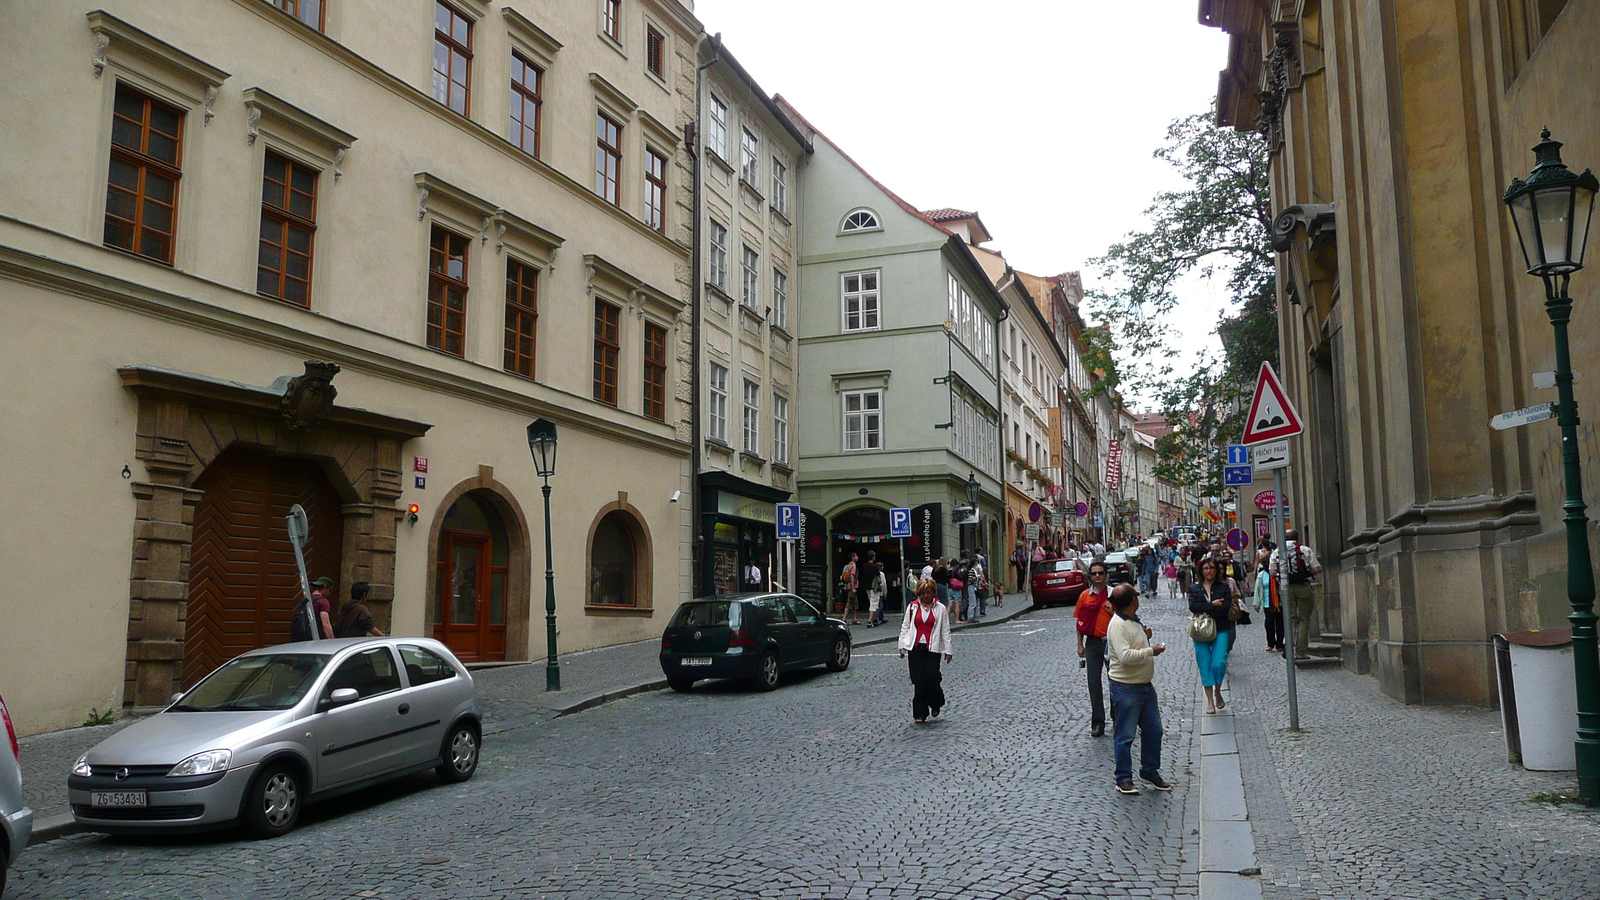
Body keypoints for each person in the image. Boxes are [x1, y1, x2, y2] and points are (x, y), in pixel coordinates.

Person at [1107, 584, 1170, 794]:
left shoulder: (1133, 620)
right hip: (1125, 687)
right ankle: (1123, 778)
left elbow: (1134, 645)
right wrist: (1150, 651)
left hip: (1144, 686)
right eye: (1136, 595)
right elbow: (1125, 656)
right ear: (1133, 600)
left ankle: (1149, 771)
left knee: (1154, 731)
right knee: (1125, 735)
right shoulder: (1117, 625)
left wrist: (1146, 638)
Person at [897, 577, 953, 723]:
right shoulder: (912, 607)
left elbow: (945, 630)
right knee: (918, 680)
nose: (926, 596)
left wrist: (948, 650)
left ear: (933, 592)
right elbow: (905, 626)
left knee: (931, 678)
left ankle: (936, 702)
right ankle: (920, 713)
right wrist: (902, 645)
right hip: (915, 647)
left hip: (933, 648)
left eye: (929, 592)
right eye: (923, 593)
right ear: (919, 593)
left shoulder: (940, 609)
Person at [1189, 557, 1237, 715]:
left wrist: (1206, 608)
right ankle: (1210, 700)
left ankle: (1218, 690)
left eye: (1211, 568)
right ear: (1201, 571)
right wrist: (1212, 605)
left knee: (1219, 663)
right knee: (1204, 664)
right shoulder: (1195, 588)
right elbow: (1193, 606)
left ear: (1217, 570)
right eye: (1205, 568)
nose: (1208, 571)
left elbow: (1225, 608)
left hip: (1221, 628)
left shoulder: (1223, 587)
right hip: (1201, 630)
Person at [1075, 561, 1115, 736]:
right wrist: (1079, 644)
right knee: (1094, 683)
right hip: (1092, 643)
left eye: (1100, 573)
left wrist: (1113, 612)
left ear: (1105, 574)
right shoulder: (1084, 596)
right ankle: (1098, 722)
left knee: (1115, 681)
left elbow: (1126, 617)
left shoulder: (1114, 594)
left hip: (1112, 643)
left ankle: (1118, 718)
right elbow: (1080, 622)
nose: (1097, 576)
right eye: (1094, 573)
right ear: (1090, 576)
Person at [1271, 529, 1323, 659]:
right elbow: (1316, 569)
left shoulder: (1277, 552)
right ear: (1297, 538)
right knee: (1304, 620)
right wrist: (1307, 573)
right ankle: (1300, 652)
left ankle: (1290, 649)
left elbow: (1272, 573)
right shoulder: (1305, 550)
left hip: (1286, 588)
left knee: (1291, 619)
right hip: (1303, 586)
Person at [860, 550, 884, 627]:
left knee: (871, 602)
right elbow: (878, 576)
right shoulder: (874, 567)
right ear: (873, 557)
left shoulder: (864, 566)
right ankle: (870, 621)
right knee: (874, 604)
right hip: (874, 587)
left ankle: (874, 620)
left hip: (867, 586)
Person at [310, 576, 336, 640]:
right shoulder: (322, 601)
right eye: (329, 589)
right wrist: (332, 640)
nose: (329, 593)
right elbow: (325, 624)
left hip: (304, 637)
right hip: (317, 638)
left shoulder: (307, 599)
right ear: (325, 586)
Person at [840, 553, 860, 626]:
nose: (857, 557)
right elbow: (852, 577)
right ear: (852, 558)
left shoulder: (847, 566)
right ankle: (844, 619)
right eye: (856, 556)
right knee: (850, 602)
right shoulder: (853, 566)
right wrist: (853, 587)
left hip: (847, 585)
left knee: (854, 603)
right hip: (852, 586)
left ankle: (854, 619)